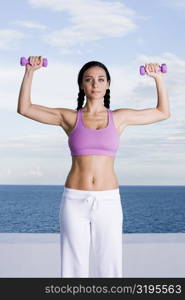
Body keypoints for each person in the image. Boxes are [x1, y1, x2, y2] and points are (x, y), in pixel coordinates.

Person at [17, 57, 170, 278]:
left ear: (108, 84)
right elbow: (25, 108)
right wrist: (29, 72)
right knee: (73, 268)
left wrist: (158, 78)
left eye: (100, 79)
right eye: (89, 80)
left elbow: (162, 112)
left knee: (110, 267)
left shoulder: (119, 118)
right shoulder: (69, 117)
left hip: (108, 200)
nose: (95, 84)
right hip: (74, 200)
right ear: (82, 85)